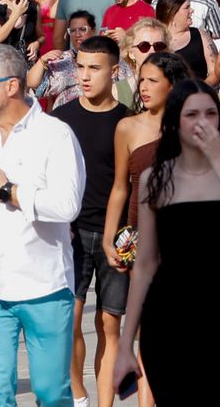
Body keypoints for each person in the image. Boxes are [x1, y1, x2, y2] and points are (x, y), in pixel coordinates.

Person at [113, 80, 220, 405]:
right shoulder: (156, 177)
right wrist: (126, 344)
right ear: (174, 122)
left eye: (211, 114)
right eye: (192, 114)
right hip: (167, 318)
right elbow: (145, 264)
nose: (203, 122)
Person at [0, 43, 86, 407]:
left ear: (11, 86)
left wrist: (10, 191)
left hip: (43, 283)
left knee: (50, 392)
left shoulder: (55, 134)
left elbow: (67, 206)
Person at [50, 37, 131, 407]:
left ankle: (104, 404)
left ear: (114, 72)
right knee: (69, 320)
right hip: (72, 232)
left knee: (109, 324)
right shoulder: (60, 119)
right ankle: (80, 397)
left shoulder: (128, 120)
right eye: (80, 67)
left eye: (94, 68)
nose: (84, 75)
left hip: (118, 235)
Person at [102, 50, 193, 275]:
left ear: (173, 85)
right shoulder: (127, 127)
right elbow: (120, 187)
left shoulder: (193, 128)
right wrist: (108, 239)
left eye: (152, 81)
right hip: (139, 236)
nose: (143, 87)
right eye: (142, 80)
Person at [157, 0, 220, 82]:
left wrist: (201, 88)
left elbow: (215, 71)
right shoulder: (156, 41)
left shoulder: (199, 34)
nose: (192, 10)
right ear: (172, 13)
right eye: (187, 7)